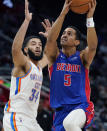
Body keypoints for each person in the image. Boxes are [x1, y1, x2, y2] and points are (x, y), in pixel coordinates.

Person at [41, 0, 98, 131]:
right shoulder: (54, 57)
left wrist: (89, 18)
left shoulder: (82, 58)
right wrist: (63, 13)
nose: (64, 35)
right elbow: (50, 40)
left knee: (70, 124)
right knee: (68, 124)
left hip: (81, 106)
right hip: (60, 112)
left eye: (69, 34)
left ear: (77, 42)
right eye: (64, 33)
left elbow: (93, 46)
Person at [3, 0, 48, 131]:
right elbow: (15, 49)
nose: (38, 46)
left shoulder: (39, 67)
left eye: (40, 44)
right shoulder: (23, 64)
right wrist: (27, 21)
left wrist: (51, 37)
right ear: (26, 50)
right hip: (17, 117)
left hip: (31, 120)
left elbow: (51, 54)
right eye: (33, 44)